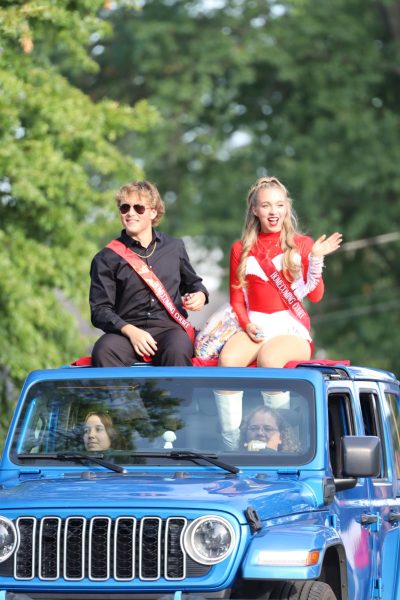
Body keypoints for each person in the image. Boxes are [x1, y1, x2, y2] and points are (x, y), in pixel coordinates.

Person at [214, 175, 342, 449]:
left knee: (270, 358)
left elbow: (316, 296)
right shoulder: (240, 248)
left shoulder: (303, 244)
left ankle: (283, 442)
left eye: (280, 205)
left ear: (287, 208)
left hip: (290, 327)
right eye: (267, 206)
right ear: (255, 210)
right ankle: (232, 444)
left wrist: (314, 258)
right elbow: (237, 299)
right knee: (228, 360)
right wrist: (246, 324)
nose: (274, 212)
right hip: (256, 323)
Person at [90, 180, 208, 367]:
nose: (130, 213)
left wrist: (200, 295)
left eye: (138, 208)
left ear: (153, 212)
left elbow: (194, 284)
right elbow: (100, 310)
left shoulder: (175, 247)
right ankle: (126, 398)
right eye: (125, 208)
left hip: (169, 331)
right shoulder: (105, 258)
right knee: (104, 349)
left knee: (177, 350)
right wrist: (130, 330)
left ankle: (174, 398)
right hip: (126, 333)